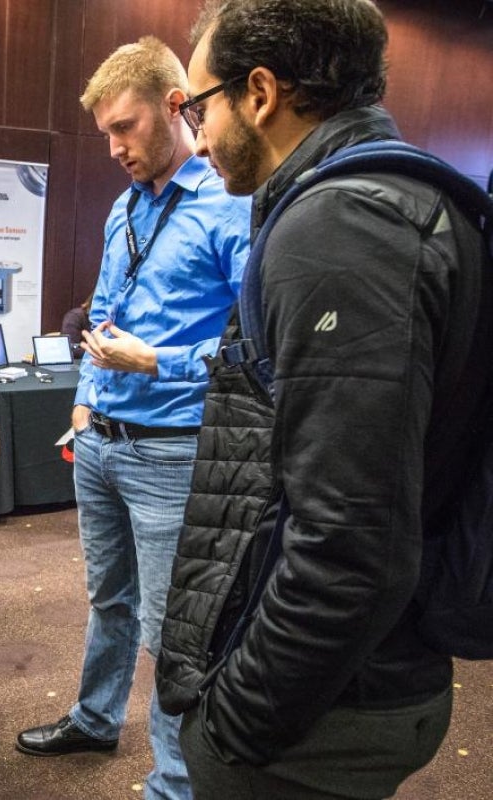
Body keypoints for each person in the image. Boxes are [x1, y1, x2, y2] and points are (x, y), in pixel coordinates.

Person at [155, 2, 489, 797]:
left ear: (260, 92)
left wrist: (235, 728)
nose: (195, 136)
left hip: (321, 719)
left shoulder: (342, 228)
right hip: (358, 685)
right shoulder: (386, 202)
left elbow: (350, 548)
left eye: (196, 106)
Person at [14, 36, 250, 800]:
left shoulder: (230, 207)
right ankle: (94, 717)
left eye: (126, 128)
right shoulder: (124, 207)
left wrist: (159, 364)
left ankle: (175, 785)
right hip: (102, 443)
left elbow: (259, 345)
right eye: (106, 133)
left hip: (173, 454)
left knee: (169, 630)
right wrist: (85, 398)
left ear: (177, 107)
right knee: (108, 601)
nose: (114, 148)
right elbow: (105, 312)